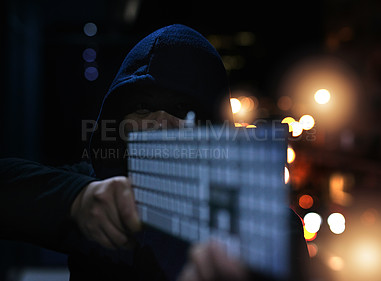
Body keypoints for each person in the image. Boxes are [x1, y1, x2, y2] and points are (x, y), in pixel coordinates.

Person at [0, 24, 309, 280]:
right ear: (118, 121)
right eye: (142, 106)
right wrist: (77, 199)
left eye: (181, 109)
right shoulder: (96, 186)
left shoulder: (266, 226)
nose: (160, 123)